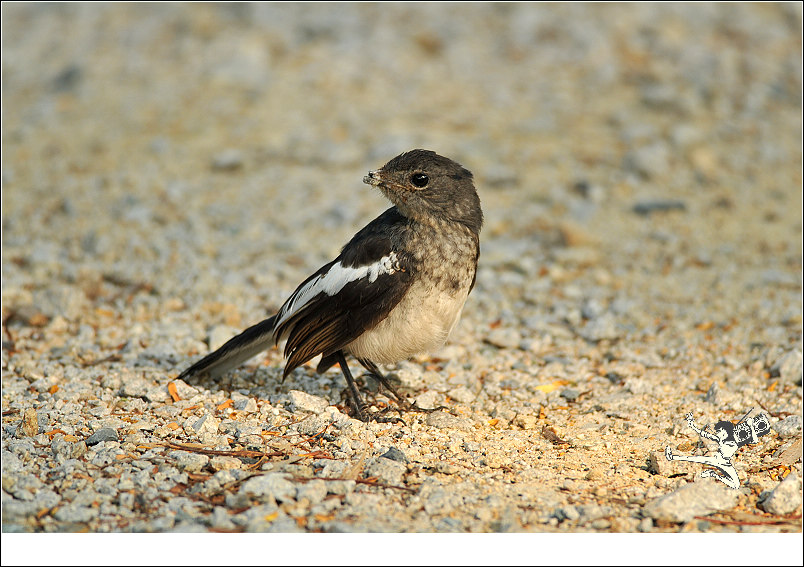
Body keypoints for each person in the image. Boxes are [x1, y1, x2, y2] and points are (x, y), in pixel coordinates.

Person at [665, 411, 758, 489]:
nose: (718, 433)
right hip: (717, 459)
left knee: (736, 484)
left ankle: (714, 474)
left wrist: (751, 427)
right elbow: (704, 434)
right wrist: (692, 425)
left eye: (720, 431)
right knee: (695, 458)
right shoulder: (721, 439)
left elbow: (754, 441)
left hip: (726, 464)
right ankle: (671, 456)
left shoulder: (736, 440)